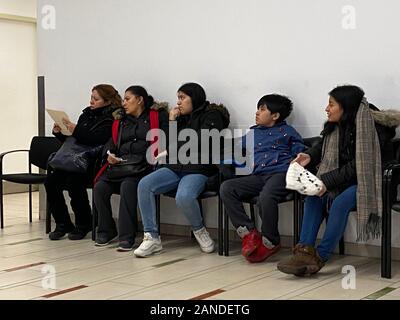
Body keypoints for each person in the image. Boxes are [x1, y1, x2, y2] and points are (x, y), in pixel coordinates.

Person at [277, 85, 399, 276]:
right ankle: (304, 252)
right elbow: (321, 146)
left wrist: (326, 181)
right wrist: (308, 156)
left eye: (331, 104)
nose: (327, 108)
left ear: (346, 107)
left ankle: (320, 257)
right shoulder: (335, 125)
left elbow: (357, 166)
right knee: (313, 196)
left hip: (372, 183)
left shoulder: (373, 129)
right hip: (343, 181)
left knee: (340, 202)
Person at [134, 82, 230, 257]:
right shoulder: (182, 119)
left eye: (182, 97)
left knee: (184, 197)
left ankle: (199, 230)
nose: (178, 103)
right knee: (144, 184)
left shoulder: (213, 115)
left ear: (195, 98)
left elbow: (203, 140)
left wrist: (172, 150)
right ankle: (151, 237)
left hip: (199, 168)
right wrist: (171, 121)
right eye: (178, 98)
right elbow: (166, 143)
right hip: (174, 166)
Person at [220, 94, 305, 263]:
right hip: (257, 176)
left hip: (279, 174)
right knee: (227, 187)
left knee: (265, 197)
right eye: (258, 108)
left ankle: (271, 240)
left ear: (275, 115)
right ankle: (249, 233)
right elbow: (235, 148)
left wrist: (298, 157)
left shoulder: (288, 132)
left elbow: (301, 151)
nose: (257, 112)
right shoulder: (253, 132)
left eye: (262, 109)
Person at [93, 86, 168, 251]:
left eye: (128, 99)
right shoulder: (120, 120)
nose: (123, 103)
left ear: (139, 99)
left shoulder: (156, 117)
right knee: (100, 187)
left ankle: (127, 236)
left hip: (143, 167)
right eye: (123, 100)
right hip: (120, 165)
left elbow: (166, 139)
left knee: (128, 186)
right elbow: (112, 143)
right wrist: (110, 154)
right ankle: (106, 229)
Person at [46, 84, 121, 240]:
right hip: (74, 159)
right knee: (51, 181)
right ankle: (63, 223)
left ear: (107, 101)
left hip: (90, 162)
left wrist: (76, 130)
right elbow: (75, 142)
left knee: (74, 182)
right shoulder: (86, 114)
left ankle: (84, 223)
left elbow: (97, 140)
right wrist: (60, 134)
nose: (91, 101)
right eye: (91, 97)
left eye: (96, 99)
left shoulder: (111, 119)